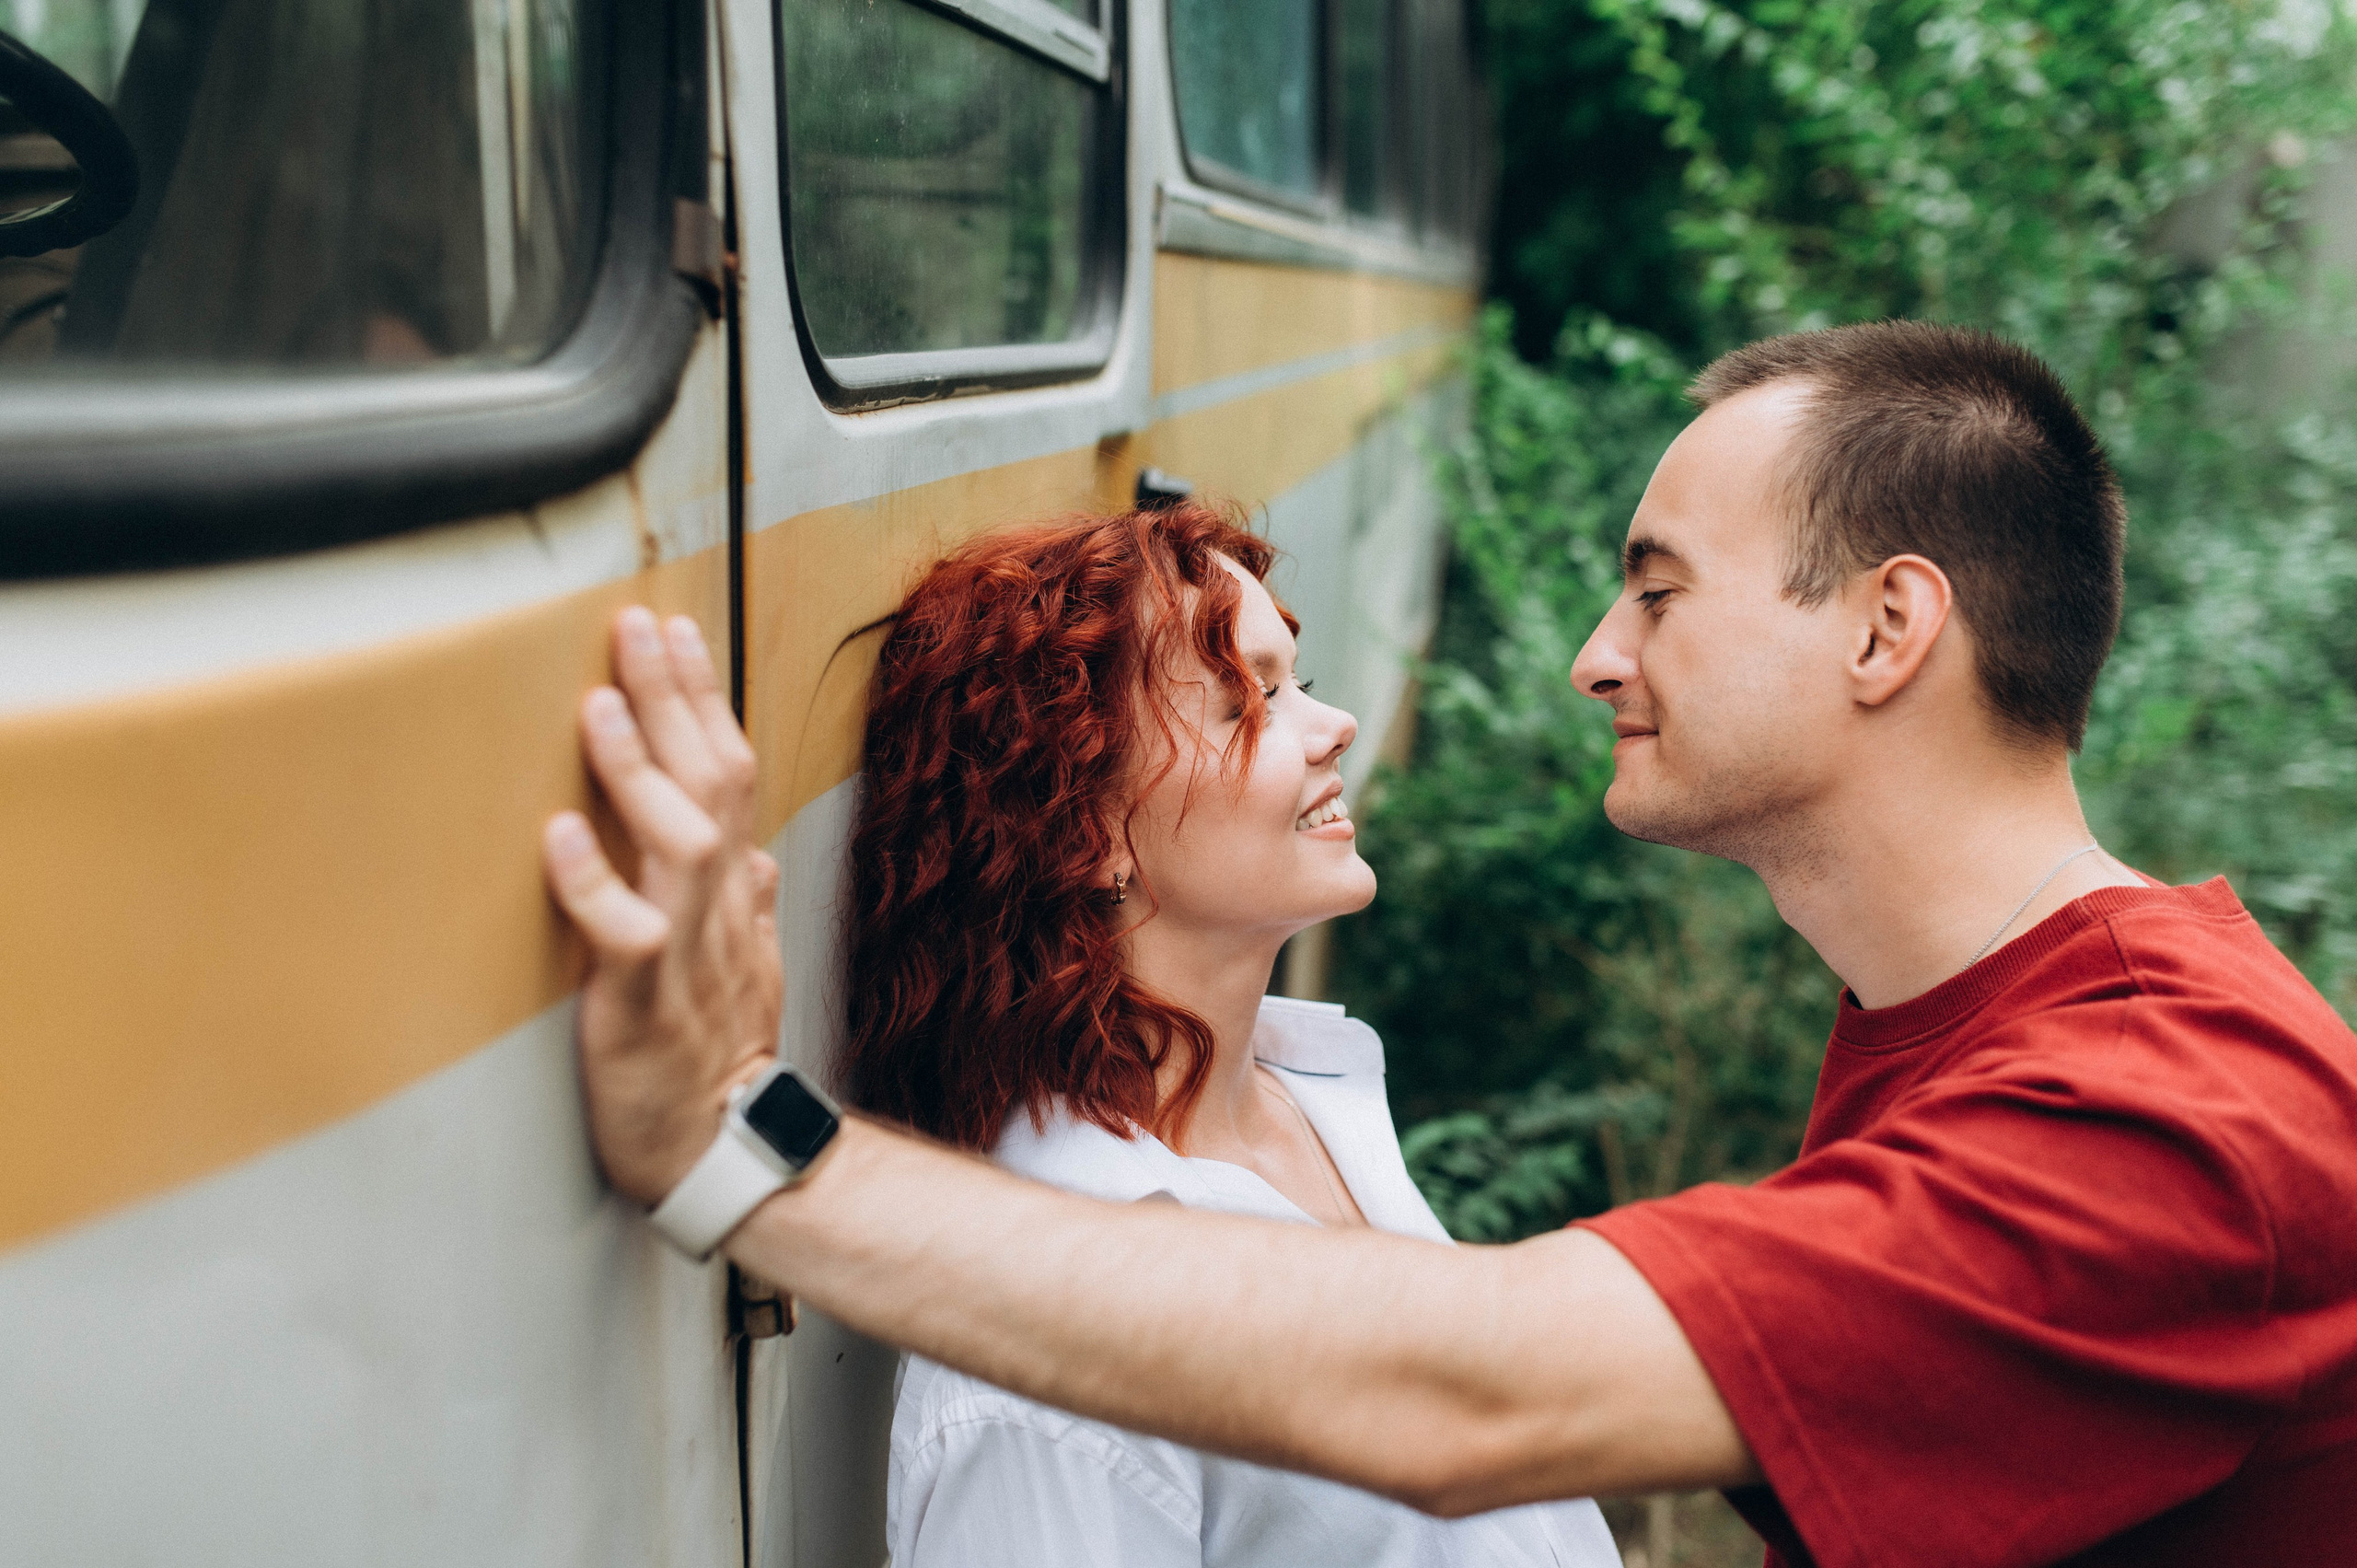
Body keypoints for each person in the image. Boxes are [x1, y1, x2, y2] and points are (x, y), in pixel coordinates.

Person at [543, 321, 2357, 1568]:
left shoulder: (2175, 1118)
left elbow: (1469, 1385)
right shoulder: (1956, 1026)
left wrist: (737, 1148)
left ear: (1886, 629)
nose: (1591, 653)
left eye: (1654, 588)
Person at [837, 502, 1619, 1566]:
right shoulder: (1052, 1342)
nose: (1332, 722)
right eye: (1245, 696)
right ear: (1084, 827)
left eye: (1294, 677)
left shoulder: (1312, 1099)